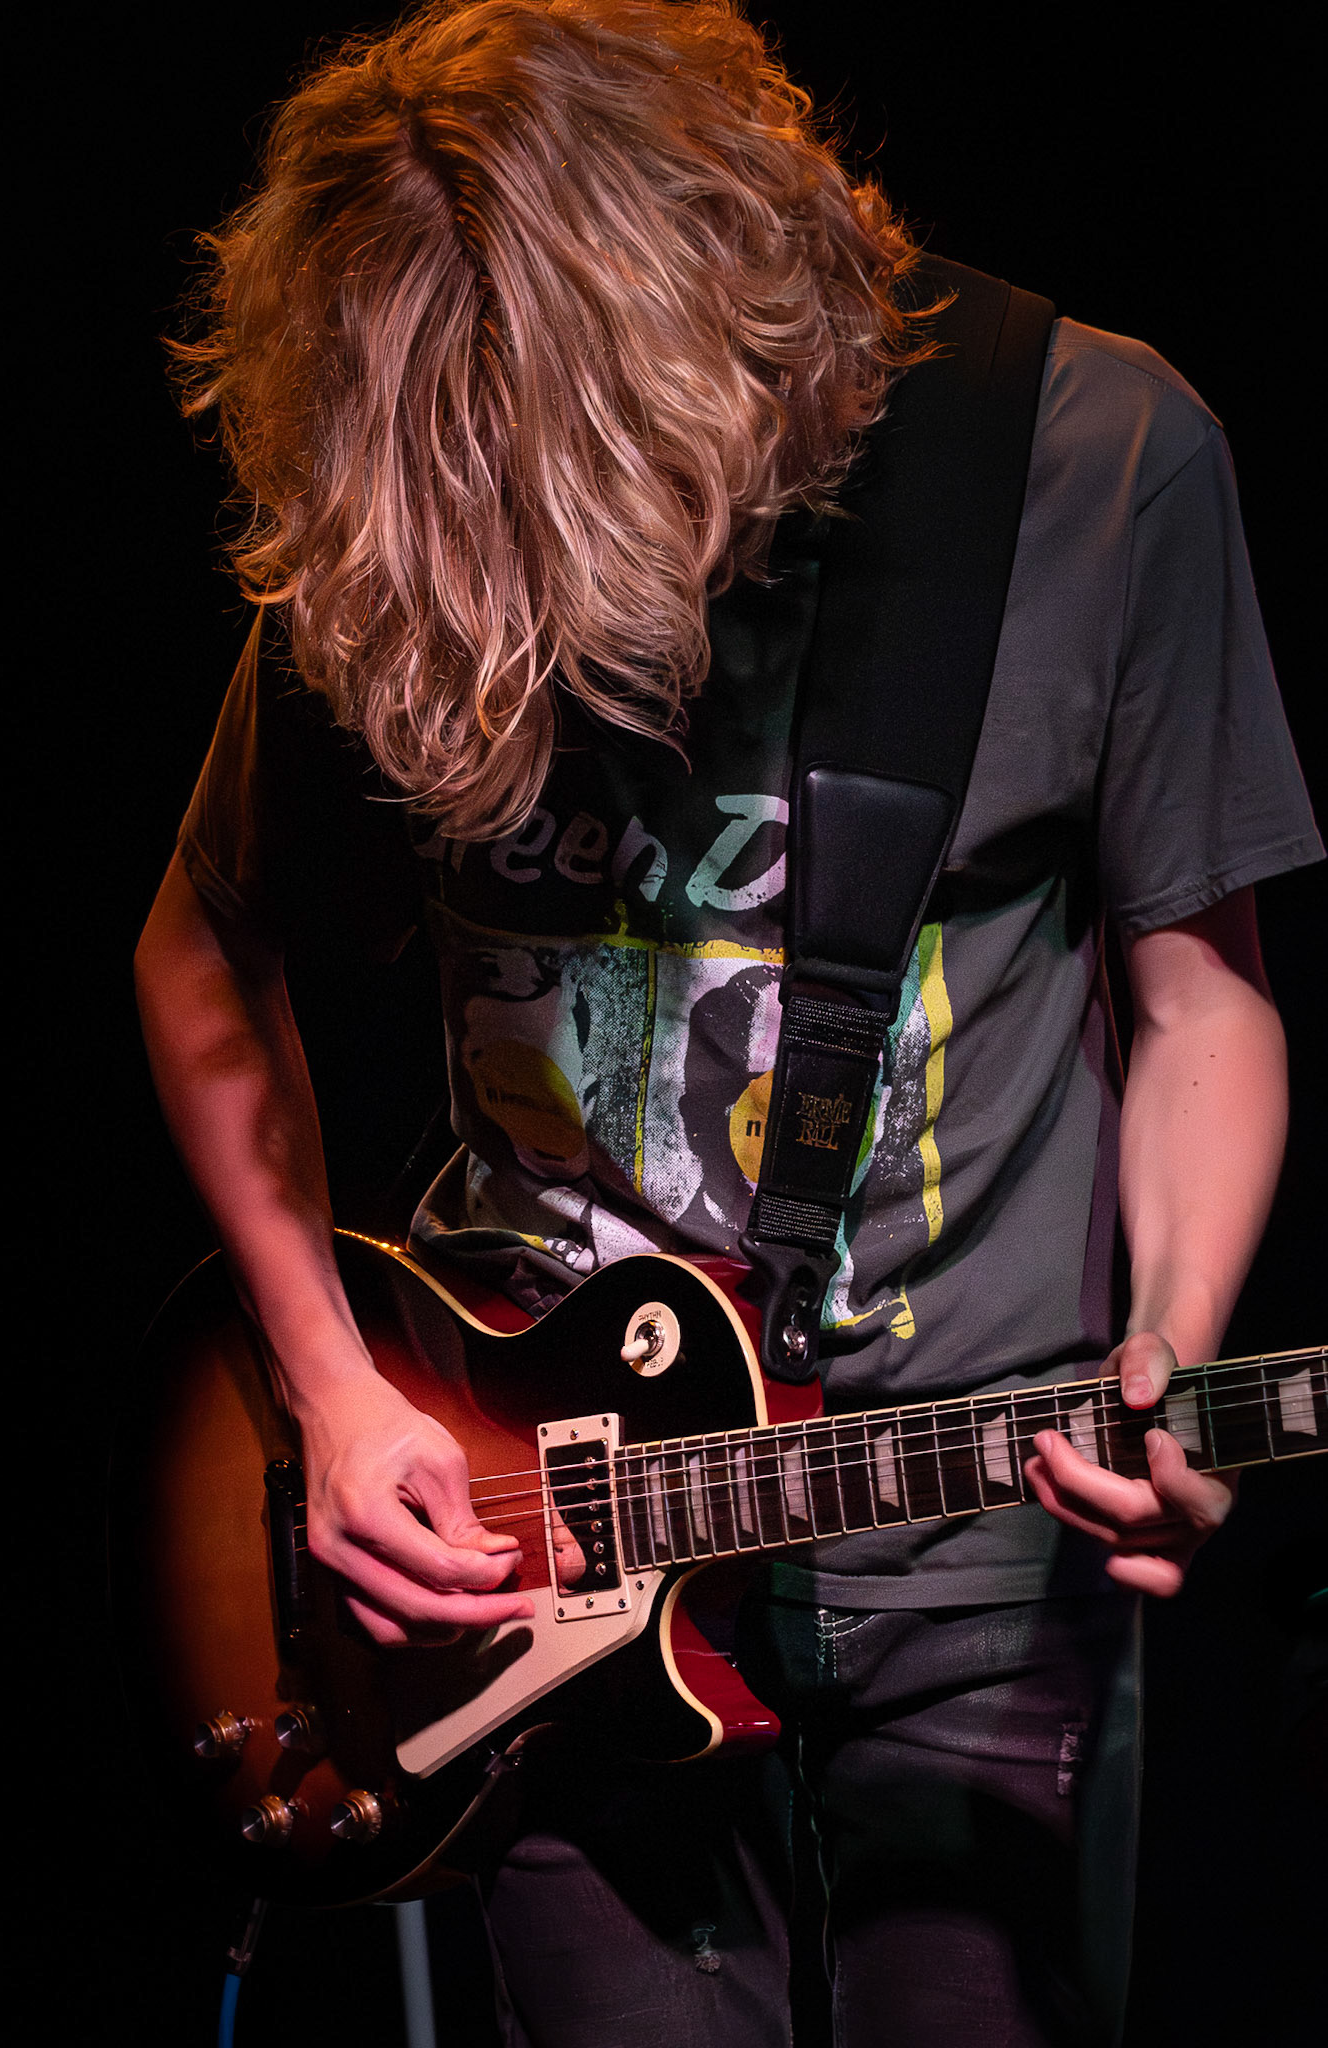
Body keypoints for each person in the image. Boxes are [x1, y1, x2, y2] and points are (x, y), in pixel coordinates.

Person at [134, 3, 1321, 2041]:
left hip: (965, 1541)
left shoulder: (1087, 457)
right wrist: (333, 1389)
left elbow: (1195, 987)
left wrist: (1177, 1331)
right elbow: (202, 943)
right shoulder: (414, 475)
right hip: (530, 1557)